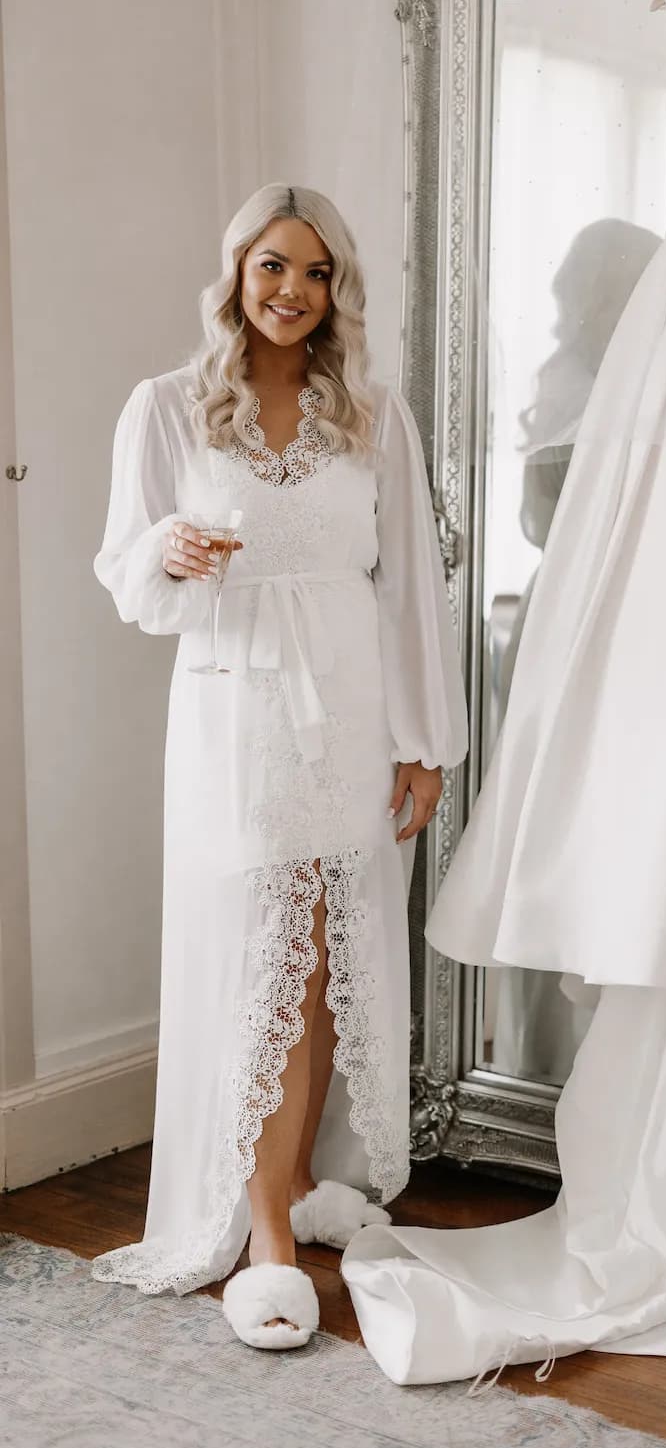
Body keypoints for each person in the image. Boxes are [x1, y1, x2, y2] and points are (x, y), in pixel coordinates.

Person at [93, 183, 467, 1349]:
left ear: (336, 288)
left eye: (315, 271)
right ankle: (265, 1239)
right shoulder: (168, 408)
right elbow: (125, 573)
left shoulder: (372, 415)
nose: (292, 291)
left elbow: (409, 586)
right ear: (236, 271)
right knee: (270, 958)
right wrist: (170, 549)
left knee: (318, 967)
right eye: (272, 266)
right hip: (237, 712)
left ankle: (296, 1186)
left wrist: (424, 740)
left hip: (348, 711)